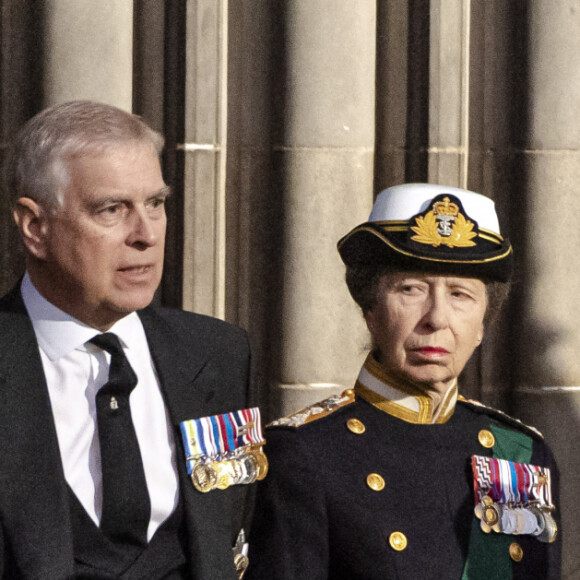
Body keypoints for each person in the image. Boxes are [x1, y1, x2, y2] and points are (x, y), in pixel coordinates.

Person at [0, 100, 262, 579]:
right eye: (111, 209)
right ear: (35, 228)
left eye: (156, 204)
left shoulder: (216, 354)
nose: (145, 234)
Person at [246, 183, 561, 579]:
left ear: (483, 324)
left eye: (460, 294)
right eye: (411, 289)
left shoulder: (520, 453)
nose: (436, 318)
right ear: (370, 310)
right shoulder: (305, 454)